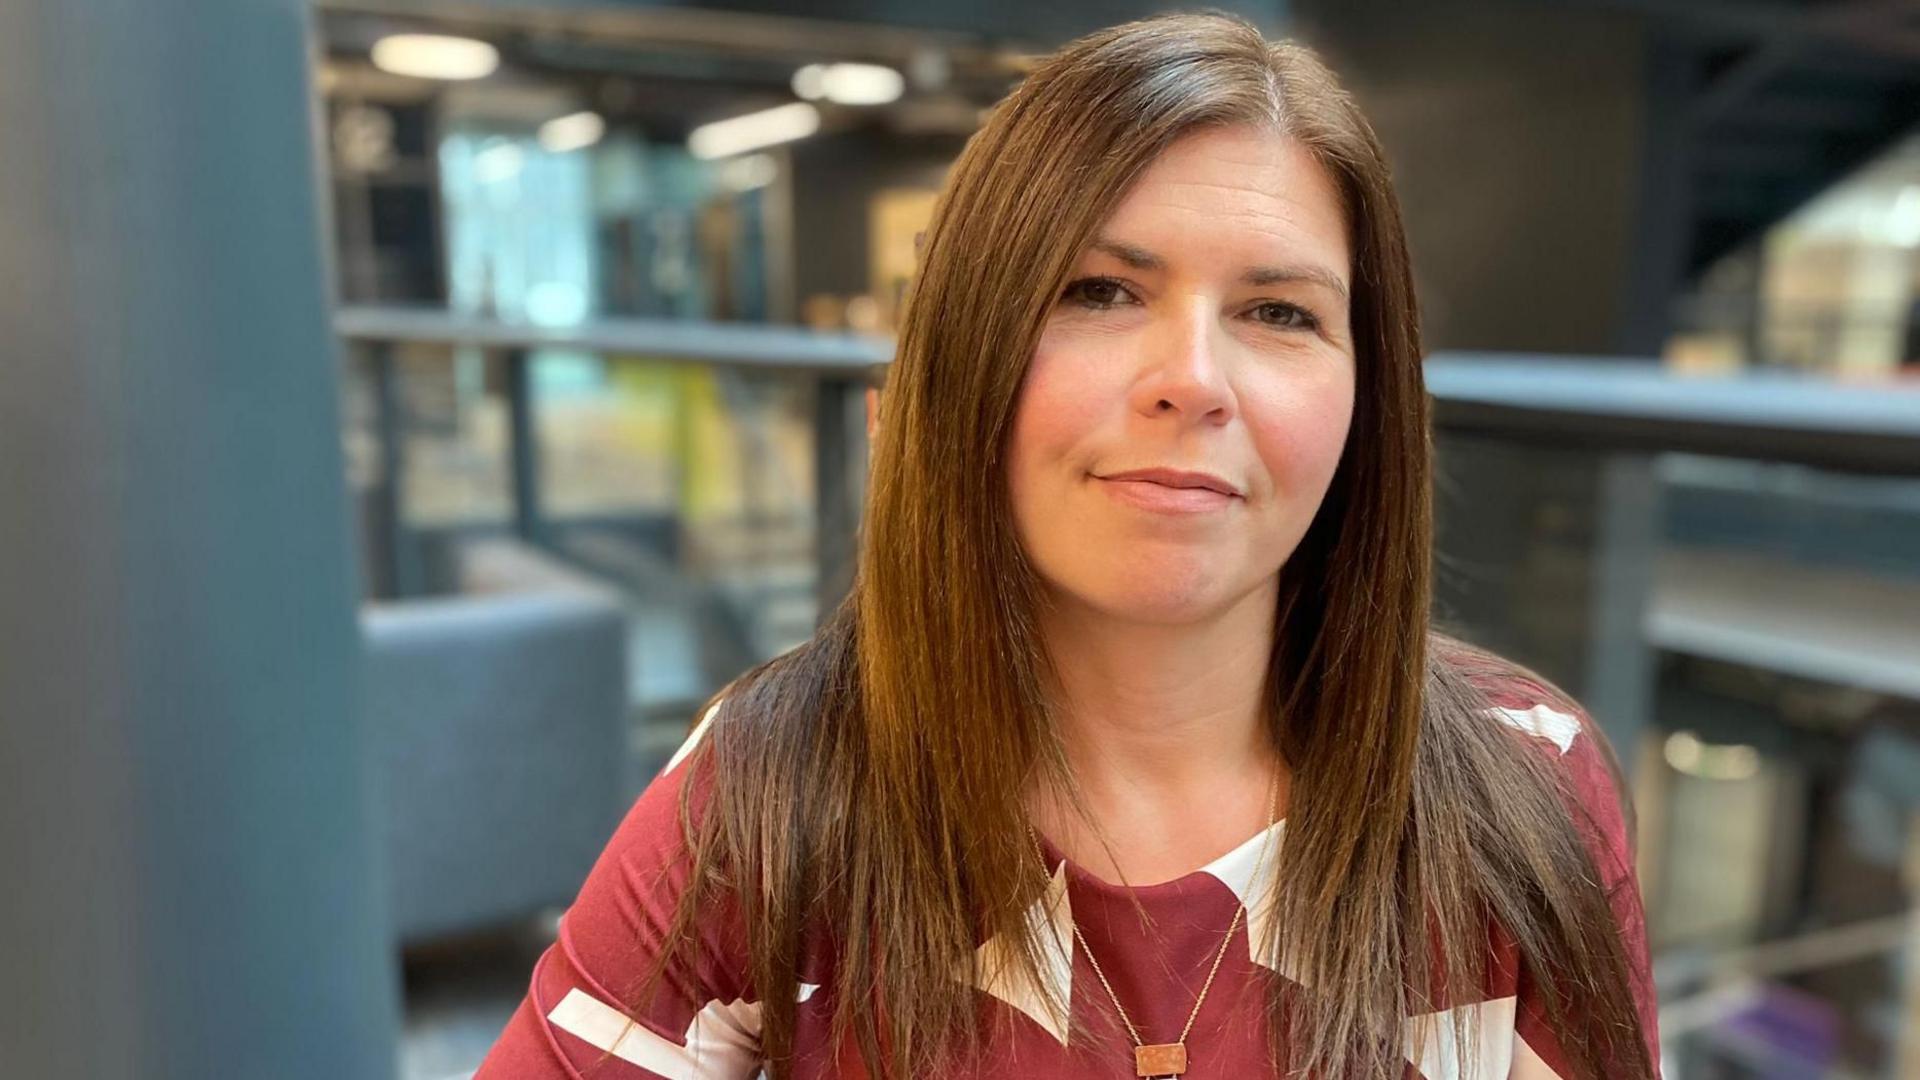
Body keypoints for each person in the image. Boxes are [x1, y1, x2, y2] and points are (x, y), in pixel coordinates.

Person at [475, 12, 1659, 1079]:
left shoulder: (1524, 787)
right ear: (956, 359)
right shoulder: (768, 799)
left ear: (1367, 402)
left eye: (1279, 312)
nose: (1192, 381)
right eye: (1098, 291)